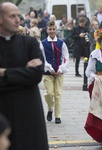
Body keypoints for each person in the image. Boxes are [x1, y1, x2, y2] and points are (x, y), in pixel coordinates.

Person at [0, 2, 49, 150]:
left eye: (18, 16)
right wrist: (23, 72)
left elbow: (35, 75)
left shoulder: (30, 43)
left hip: (29, 111)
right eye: (12, 16)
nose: (18, 20)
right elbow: (28, 76)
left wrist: (5, 73)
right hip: (3, 110)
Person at [40, 21, 69, 124]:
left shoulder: (61, 43)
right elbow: (42, 58)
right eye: (50, 29)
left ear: (56, 30)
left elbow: (65, 57)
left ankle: (58, 115)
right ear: (47, 30)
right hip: (48, 73)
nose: (52, 31)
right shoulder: (43, 43)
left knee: (58, 94)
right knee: (49, 93)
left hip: (59, 73)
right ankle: (50, 108)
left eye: (53, 29)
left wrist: (61, 69)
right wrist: (49, 68)